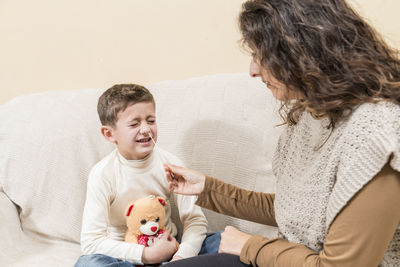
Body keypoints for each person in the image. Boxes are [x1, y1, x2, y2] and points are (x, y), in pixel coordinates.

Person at [162, 0, 400, 266]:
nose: (253, 70)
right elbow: (297, 211)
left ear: (301, 50)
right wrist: (208, 189)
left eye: (259, 56)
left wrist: (250, 246)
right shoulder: (314, 114)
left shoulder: (378, 132)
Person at [74, 84, 212, 267]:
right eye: (134, 124)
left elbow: (195, 219)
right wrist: (146, 254)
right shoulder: (102, 174)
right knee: (88, 264)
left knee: (221, 241)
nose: (146, 129)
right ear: (109, 134)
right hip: (124, 257)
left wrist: (181, 257)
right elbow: (91, 242)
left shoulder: (172, 165)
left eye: (151, 120)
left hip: (170, 252)